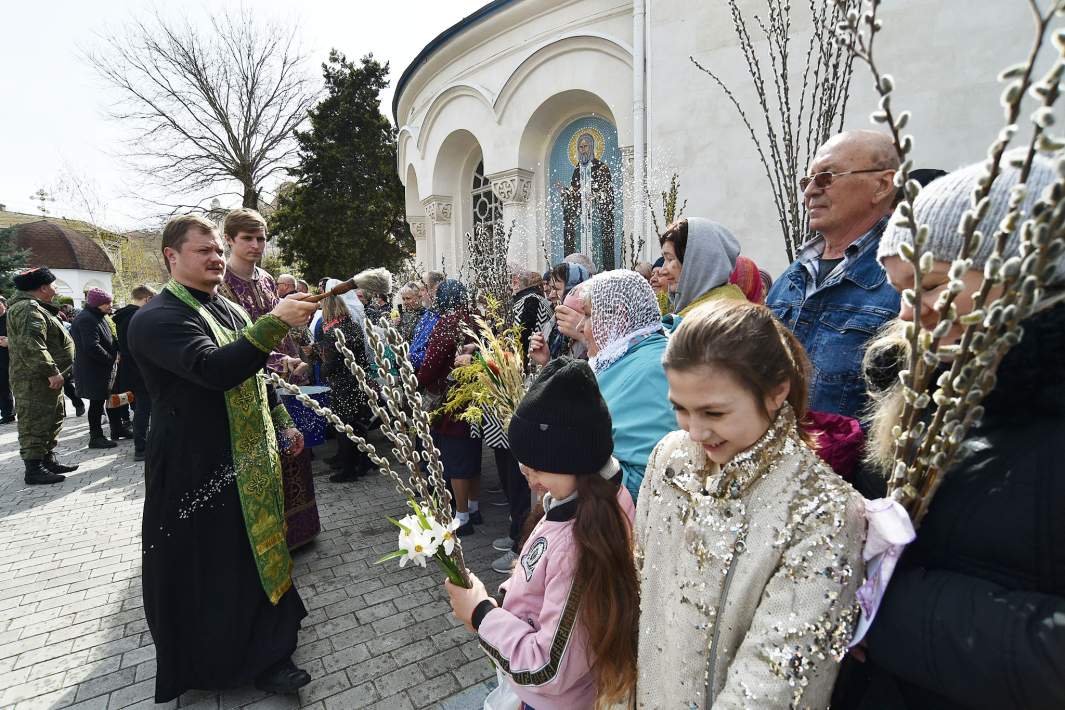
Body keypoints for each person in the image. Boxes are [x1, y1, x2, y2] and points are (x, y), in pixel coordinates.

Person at [832, 152, 1065, 709]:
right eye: (901, 291)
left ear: (1020, 276)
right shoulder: (916, 405)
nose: (910, 314)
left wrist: (885, 611)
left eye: (932, 285)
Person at [635, 299, 865, 707]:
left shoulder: (822, 511)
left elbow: (776, 683)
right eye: (681, 410)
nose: (696, 432)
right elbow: (640, 591)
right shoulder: (669, 459)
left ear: (777, 392)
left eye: (714, 412)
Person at [128, 214, 318, 702]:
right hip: (198, 467)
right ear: (172, 256)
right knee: (216, 565)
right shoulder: (159, 318)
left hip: (248, 457)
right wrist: (276, 322)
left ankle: (271, 644)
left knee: (254, 551)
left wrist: (284, 422)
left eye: (217, 249)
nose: (215, 258)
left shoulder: (227, 308)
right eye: (203, 251)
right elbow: (214, 371)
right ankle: (229, 660)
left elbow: (254, 373)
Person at [445, 357, 638, 710]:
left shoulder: (581, 540)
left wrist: (481, 614)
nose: (525, 474)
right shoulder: (588, 498)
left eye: (535, 466)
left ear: (572, 459)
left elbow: (548, 666)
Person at [766, 129, 901, 419]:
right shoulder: (790, 279)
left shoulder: (906, 284)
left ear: (881, 185)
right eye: (807, 180)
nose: (810, 191)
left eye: (826, 177)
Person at [218, 208, 320, 549]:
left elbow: (282, 325)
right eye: (247, 238)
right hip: (248, 377)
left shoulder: (265, 278)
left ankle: (300, 531)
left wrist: (303, 350)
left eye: (261, 238)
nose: (256, 245)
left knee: (295, 449)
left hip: (287, 375)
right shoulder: (221, 284)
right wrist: (280, 360)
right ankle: (266, 537)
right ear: (230, 240)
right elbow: (236, 337)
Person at [535, 270, 675, 503]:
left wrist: (563, 469)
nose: (580, 327)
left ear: (618, 316)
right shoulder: (628, 357)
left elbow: (647, 482)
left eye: (588, 315)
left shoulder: (651, 371)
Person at [417, 279, 480, 535]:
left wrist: (417, 381)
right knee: (472, 453)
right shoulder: (473, 317)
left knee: (455, 460)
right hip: (475, 399)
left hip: (451, 400)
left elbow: (432, 363)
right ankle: (475, 508)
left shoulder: (447, 322)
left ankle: (462, 517)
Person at [7, 267, 80, 484]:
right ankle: (34, 468)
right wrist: (51, 371)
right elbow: (32, 345)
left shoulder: (38, 307)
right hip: (35, 380)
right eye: (54, 284)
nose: (56, 288)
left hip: (45, 379)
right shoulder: (28, 309)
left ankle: (46, 460)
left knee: (51, 419)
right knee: (34, 421)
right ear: (43, 287)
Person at [308, 283, 375, 483]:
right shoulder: (352, 325)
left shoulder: (333, 332)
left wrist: (316, 355)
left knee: (344, 427)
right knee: (358, 425)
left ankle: (348, 469)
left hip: (342, 385)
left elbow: (329, 365)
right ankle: (363, 462)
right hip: (357, 382)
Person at [659, 217, 746, 325]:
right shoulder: (729, 304)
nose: (663, 270)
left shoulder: (713, 319)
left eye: (670, 259)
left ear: (696, 262)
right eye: (664, 259)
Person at [71, 288, 128, 449]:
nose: (110, 306)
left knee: (112, 399)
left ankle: (117, 429)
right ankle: (96, 437)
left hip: (105, 369)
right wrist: (111, 359)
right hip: (94, 370)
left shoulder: (99, 316)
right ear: (97, 304)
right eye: (107, 303)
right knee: (96, 404)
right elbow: (91, 346)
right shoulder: (86, 319)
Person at [113, 285, 156, 461]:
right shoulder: (138, 316)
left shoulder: (123, 316)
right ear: (147, 299)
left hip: (132, 368)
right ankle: (141, 448)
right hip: (141, 369)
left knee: (142, 408)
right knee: (144, 408)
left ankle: (144, 445)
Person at [546, 262, 591, 358]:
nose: (551, 295)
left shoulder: (595, 326)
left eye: (556, 289)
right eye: (551, 289)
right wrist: (544, 359)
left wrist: (581, 336)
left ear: (573, 289)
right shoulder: (554, 323)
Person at [409, 271, 445, 371]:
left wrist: (411, 358)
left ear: (435, 289)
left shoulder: (441, 317)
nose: (419, 294)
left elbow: (435, 355)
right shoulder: (428, 313)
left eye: (423, 289)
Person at [0, 296, 14, 424]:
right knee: (2, 386)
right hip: (1, 358)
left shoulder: (11, 317)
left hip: (14, 356)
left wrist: (9, 341)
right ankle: (7, 413)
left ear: (4, 305)